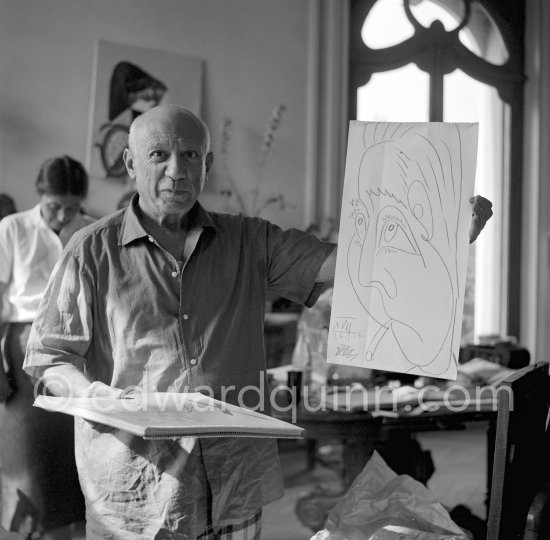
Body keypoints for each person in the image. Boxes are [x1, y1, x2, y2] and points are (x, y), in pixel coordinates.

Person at [23, 104, 492, 539]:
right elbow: (51, 357)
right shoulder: (89, 251)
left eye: (190, 155)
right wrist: (92, 395)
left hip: (233, 482)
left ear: (207, 163)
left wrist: (445, 235)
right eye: (159, 155)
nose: (176, 170)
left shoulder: (250, 240)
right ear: (129, 163)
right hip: (136, 489)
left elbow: (346, 263)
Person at [0, 156, 93, 539]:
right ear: (41, 195)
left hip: (77, 355)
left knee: (77, 463)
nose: (62, 215)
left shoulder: (88, 230)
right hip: (23, 354)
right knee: (33, 464)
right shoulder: (13, 229)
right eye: (55, 206)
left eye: (71, 208)